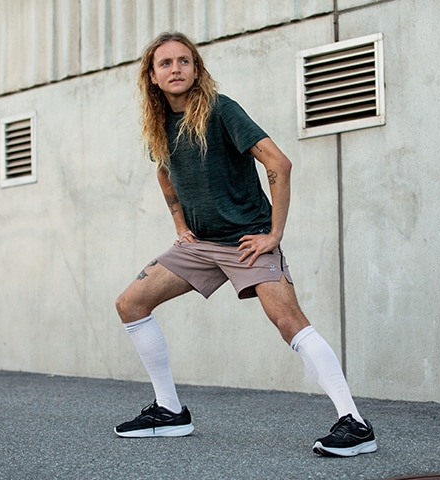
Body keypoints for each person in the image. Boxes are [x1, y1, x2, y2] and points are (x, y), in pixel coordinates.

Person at [113, 31, 377, 457]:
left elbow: (279, 164)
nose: (176, 68)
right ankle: (169, 411)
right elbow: (164, 173)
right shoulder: (158, 126)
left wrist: (274, 234)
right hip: (200, 245)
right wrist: (180, 223)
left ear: (196, 69)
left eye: (184, 61)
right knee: (130, 303)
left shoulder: (221, 110)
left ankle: (356, 424)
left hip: (246, 241)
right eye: (165, 63)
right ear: (152, 77)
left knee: (288, 321)